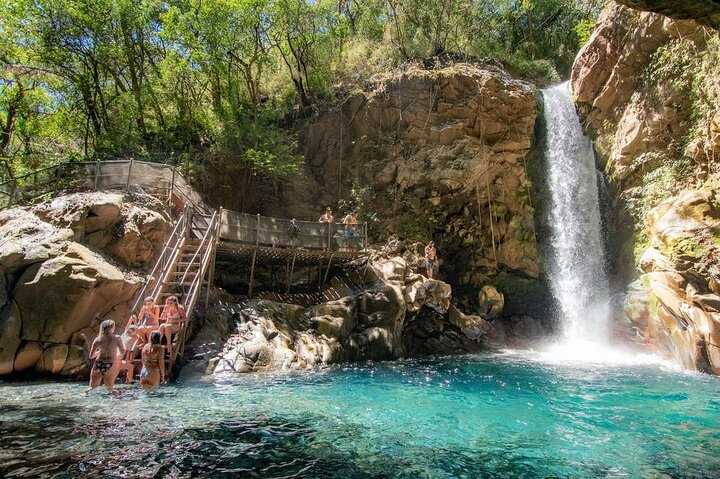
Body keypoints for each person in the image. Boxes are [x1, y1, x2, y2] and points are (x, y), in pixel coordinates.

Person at [86, 319, 126, 394]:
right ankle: (111, 404)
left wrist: (99, 352)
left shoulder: (98, 339)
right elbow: (123, 351)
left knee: (91, 387)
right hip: (110, 364)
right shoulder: (117, 338)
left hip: (98, 364)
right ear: (112, 327)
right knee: (109, 388)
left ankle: (85, 398)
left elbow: (91, 356)